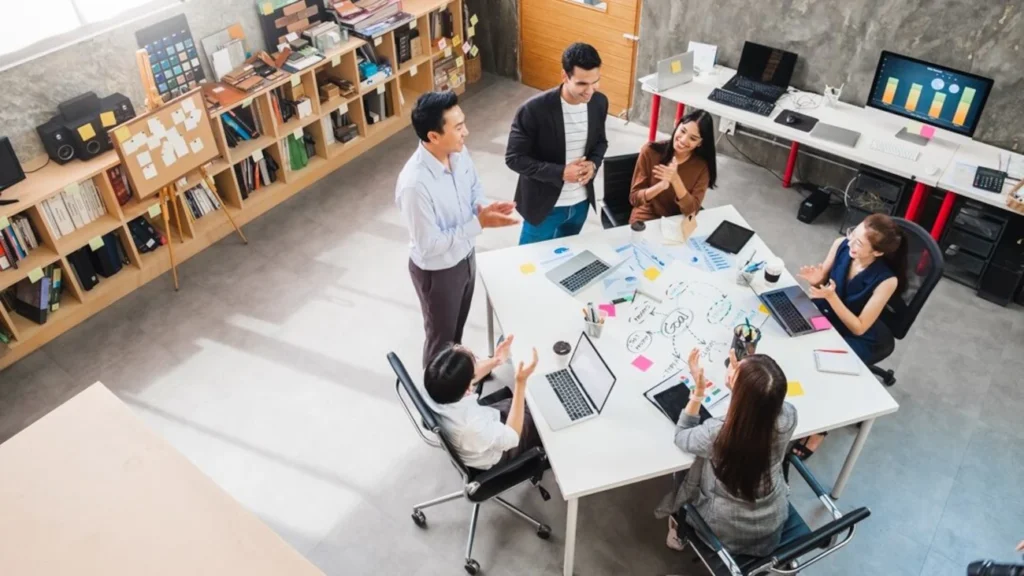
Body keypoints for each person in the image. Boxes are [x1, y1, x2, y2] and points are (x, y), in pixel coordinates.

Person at [397, 91, 519, 368]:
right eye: (458, 127)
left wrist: (482, 208)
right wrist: (479, 224)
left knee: (456, 334)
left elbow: (474, 187)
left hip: (465, 257)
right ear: (433, 137)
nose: (467, 132)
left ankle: (456, 383)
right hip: (438, 272)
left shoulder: (459, 153)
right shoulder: (415, 185)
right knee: (441, 340)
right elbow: (429, 245)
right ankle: (437, 399)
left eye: (463, 123)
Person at [656, 348, 798, 557]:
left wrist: (698, 393)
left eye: (737, 371)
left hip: (724, 534)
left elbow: (682, 436)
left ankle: (680, 533)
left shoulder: (718, 433)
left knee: (682, 471)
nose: (732, 368)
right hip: (772, 524)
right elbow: (759, 407)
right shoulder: (788, 416)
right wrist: (742, 386)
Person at [792, 213, 907, 459]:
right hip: (832, 312)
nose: (850, 244)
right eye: (852, 235)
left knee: (825, 372)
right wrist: (818, 279)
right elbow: (825, 278)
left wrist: (830, 297)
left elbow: (859, 327)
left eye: (859, 243)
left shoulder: (887, 280)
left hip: (863, 334)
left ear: (877, 253)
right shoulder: (841, 245)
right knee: (793, 337)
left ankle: (819, 431)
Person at [505, 42, 609, 245]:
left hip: (580, 204)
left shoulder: (599, 102)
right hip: (544, 207)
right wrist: (561, 172)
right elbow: (514, 158)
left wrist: (593, 164)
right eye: (581, 84)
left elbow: (600, 141)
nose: (590, 91)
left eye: (595, 82)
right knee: (529, 261)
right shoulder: (533, 110)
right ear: (564, 76)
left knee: (563, 257)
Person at [424, 335, 541, 470]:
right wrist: (520, 383)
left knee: (532, 396)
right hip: (499, 450)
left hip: (485, 425)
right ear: (468, 389)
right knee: (543, 412)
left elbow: (466, 376)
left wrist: (496, 360)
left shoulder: (432, 378)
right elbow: (512, 438)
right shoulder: (471, 426)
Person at [629, 110, 717, 225]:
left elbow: (692, 211)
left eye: (693, 138)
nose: (684, 140)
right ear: (677, 125)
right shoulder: (650, 151)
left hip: (679, 222)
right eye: (683, 131)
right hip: (647, 218)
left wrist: (675, 180)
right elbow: (634, 199)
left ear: (700, 143)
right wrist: (661, 186)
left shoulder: (702, 166)